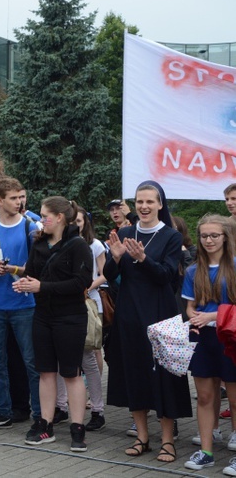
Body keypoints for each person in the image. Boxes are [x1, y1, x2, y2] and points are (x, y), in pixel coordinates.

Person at [103, 180, 192, 463]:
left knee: (163, 376)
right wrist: (115, 258)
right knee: (134, 372)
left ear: (160, 204)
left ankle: (167, 440)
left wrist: (142, 259)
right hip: (129, 314)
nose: (144, 206)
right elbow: (109, 274)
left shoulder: (170, 236)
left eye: (150, 201)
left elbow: (167, 276)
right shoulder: (126, 232)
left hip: (160, 313)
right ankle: (142, 437)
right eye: (140, 201)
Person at [14, 197, 92, 451]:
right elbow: (32, 274)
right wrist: (24, 283)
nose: (40, 220)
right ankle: (45, 424)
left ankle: (77, 427)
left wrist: (41, 286)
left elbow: (80, 284)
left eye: (44, 216)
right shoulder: (38, 243)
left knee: (71, 372)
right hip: (43, 316)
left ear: (59, 218)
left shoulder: (78, 245)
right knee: (45, 371)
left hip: (70, 317)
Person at [0, 177, 41, 431]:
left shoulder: (30, 227)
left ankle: (40, 415)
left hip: (25, 304)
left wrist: (14, 268)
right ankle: (3, 412)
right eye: (14, 198)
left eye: (21, 196)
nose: (20, 201)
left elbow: (38, 267)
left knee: (31, 362)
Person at [182, 215, 236, 472]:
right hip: (203, 338)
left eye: (214, 235)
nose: (209, 240)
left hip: (231, 337)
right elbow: (190, 306)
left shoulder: (235, 266)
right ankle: (206, 451)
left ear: (226, 237)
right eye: (204, 236)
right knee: (204, 396)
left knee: (235, 399)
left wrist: (213, 315)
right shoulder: (193, 270)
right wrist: (193, 314)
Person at [54, 207, 107, 432]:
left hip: (88, 303)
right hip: (62, 304)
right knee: (59, 359)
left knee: (88, 359)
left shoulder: (93, 244)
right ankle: (60, 405)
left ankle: (97, 410)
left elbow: (105, 273)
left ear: (85, 222)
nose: (76, 223)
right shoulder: (58, 243)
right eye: (72, 220)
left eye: (79, 220)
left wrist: (87, 286)